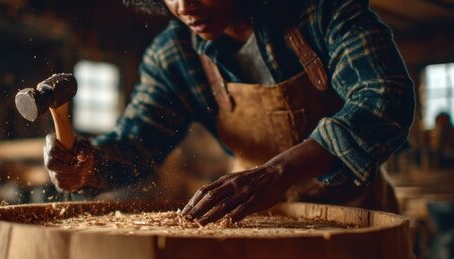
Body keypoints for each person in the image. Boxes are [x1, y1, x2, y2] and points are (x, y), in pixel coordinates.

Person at [43, 0, 415, 225]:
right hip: (250, 222)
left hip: (354, 215)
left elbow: (384, 98)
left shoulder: (321, 12)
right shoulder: (174, 54)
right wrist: (88, 165)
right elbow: (136, 144)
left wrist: (277, 173)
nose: (185, 7)